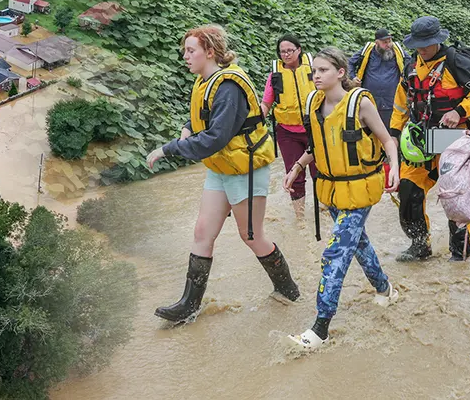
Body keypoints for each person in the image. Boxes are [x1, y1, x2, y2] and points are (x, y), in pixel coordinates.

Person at [147, 25, 300, 323]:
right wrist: (188, 129)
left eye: (191, 50)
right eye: (185, 50)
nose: (185, 56)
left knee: (251, 236)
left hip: (245, 167)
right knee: (202, 232)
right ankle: (188, 306)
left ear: (209, 52)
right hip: (221, 166)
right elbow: (203, 117)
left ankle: (288, 291)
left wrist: (170, 148)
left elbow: (216, 137)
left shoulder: (228, 87)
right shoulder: (204, 81)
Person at [283, 48, 401, 348]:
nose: (316, 76)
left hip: (360, 190)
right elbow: (318, 145)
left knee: (335, 253)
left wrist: (395, 169)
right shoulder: (314, 104)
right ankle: (385, 289)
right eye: (314, 71)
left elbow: (387, 140)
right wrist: (297, 168)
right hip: (333, 191)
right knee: (358, 244)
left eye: (323, 70)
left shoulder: (360, 104)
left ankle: (320, 329)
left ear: (340, 72)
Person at [389, 16, 470, 262]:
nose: (422, 49)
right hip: (420, 140)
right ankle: (419, 245)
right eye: (418, 45)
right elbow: (400, 105)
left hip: (454, 140)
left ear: (437, 41)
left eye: (426, 44)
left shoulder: (459, 63)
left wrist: (459, 111)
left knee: (456, 197)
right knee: (408, 191)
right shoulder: (410, 67)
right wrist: (393, 134)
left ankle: (461, 252)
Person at [261, 34, 317, 220]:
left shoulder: (313, 68)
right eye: (282, 51)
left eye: (290, 50)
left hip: (315, 129)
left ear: (299, 50)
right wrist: (254, 122)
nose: (286, 54)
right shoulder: (275, 75)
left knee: (321, 172)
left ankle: (324, 209)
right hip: (287, 133)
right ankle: (300, 218)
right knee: (295, 174)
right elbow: (266, 103)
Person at [348, 28, 408, 127]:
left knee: (390, 131)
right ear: (376, 43)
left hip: (391, 102)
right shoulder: (367, 51)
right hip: (369, 101)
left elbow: (411, 64)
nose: (388, 44)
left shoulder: (398, 52)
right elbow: (350, 63)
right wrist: (353, 77)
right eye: (385, 42)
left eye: (390, 41)